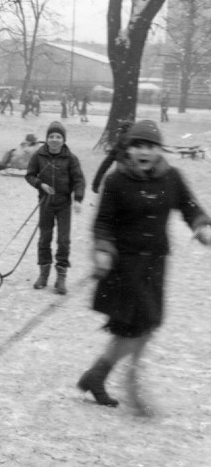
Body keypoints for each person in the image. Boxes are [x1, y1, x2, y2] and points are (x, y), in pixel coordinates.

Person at [79, 120, 211, 415]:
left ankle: (97, 375)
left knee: (141, 326)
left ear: (158, 150)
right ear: (128, 148)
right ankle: (132, 384)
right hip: (124, 268)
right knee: (137, 328)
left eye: (150, 146)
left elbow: (190, 206)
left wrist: (201, 227)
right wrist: (102, 250)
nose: (144, 152)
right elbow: (103, 223)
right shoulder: (116, 181)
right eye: (138, 145)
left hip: (154, 266)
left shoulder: (171, 178)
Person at [25, 121, 86, 294]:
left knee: (63, 240)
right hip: (45, 203)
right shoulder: (39, 155)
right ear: (47, 139)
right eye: (51, 136)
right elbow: (29, 175)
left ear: (63, 139)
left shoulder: (71, 158)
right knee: (45, 238)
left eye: (58, 137)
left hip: (64, 204)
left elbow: (79, 180)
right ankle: (43, 274)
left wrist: (78, 199)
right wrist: (40, 184)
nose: (54, 140)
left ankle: (61, 277)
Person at [91, 120, 134, 194]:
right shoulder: (138, 145)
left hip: (121, 181)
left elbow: (104, 166)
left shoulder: (119, 145)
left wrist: (96, 183)